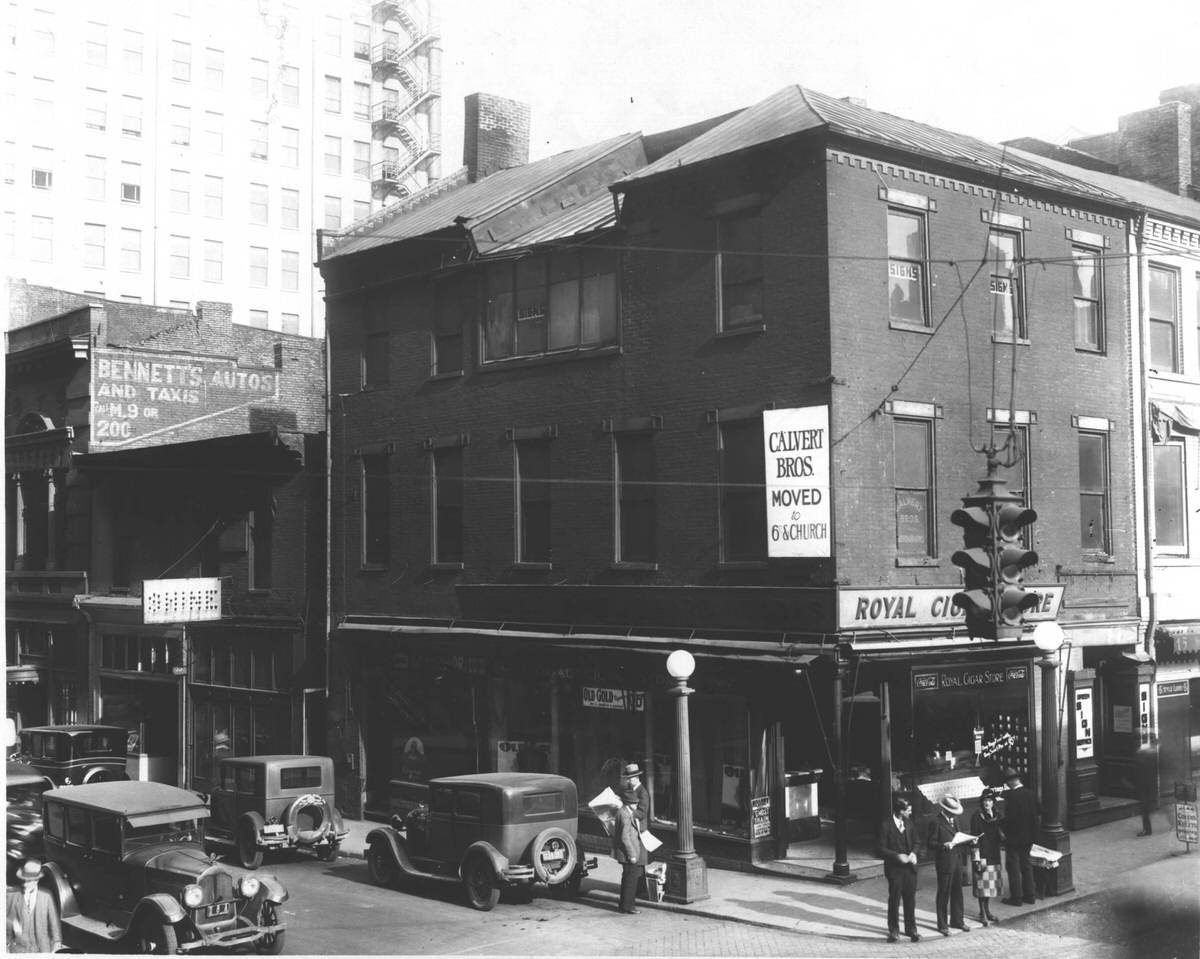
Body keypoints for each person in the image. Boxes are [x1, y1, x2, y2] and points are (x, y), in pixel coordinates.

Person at [877, 795, 922, 943]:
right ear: (900, 811)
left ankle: (911, 930)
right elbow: (880, 849)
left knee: (910, 900)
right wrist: (897, 856)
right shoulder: (886, 825)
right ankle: (894, 931)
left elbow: (917, 841)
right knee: (894, 900)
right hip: (895, 870)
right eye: (907, 810)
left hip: (910, 869)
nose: (910, 812)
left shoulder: (909, 823)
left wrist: (914, 853)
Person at [926, 795, 972, 935]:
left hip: (957, 860)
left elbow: (958, 836)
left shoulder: (955, 819)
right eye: (952, 812)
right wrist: (943, 845)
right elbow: (930, 843)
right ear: (945, 810)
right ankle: (942, 924)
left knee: (957, 891)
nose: (954, 815)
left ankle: (958, 920)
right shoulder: (936, 822)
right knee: (944, 893)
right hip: (945, 862)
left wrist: (969, 840)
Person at [1000, 768, 1039, 906]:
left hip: (1014, 838)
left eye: (1007, 782)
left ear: (1012, 781)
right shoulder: (1031, 794)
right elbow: (1037, 813)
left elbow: (1010, 819)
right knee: (1027, 866)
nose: (1007, 785)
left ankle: (1016, 898)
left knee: (1013, 867)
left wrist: (1001, 827)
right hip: (1029, 837)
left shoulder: (1011, 797)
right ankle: (1030, 895)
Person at [6, 859, 62, 954]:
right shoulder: (12, 896)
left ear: (36, 880)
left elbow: (53, 922)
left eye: (28, 881)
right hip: (18, 949)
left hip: (42, 948)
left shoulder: (46, 897)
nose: (24, 884)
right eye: (23, 880)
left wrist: (57, 942)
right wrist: (13, 923)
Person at [969, 788, 1005, 925]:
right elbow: (973, 838)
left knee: (990, 886)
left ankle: (987, 911)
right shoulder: (976, 816)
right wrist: (976, 858)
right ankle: (982, 912)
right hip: (982, 853)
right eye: (985, 800)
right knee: (981, 885)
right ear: (981, 802)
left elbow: (1002, 831)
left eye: (990, 800)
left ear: (993, 802)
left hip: (994, 853)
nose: (987, 803)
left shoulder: (997, 814)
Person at [612, 792, 647, 915]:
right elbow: (624, 837)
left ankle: (623, 905)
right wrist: (632, 855)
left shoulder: (624, 811)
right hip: (628, 853)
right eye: (635, 803)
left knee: (627, 878)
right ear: (629, 803)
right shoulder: (625, 815)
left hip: (626, 852)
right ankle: (629, 907)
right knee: (631, 881)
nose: (637, 805)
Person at [1135, 738, 1159, 837]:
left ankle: (1147, 830)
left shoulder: (1147, 758)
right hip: (1149, 785)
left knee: (1144, 808)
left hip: (1146, 786)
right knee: (1145, 808)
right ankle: (1147, 829)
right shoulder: (1153, 756)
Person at [619, 762, 651, 831]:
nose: (627, 781)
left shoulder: (643, 792)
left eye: (629, 779)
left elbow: (642, 813)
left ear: (636, 777)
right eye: (627, 779)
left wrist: (628, 813)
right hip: (629, 826)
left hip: (639, 828)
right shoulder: (630, 789)